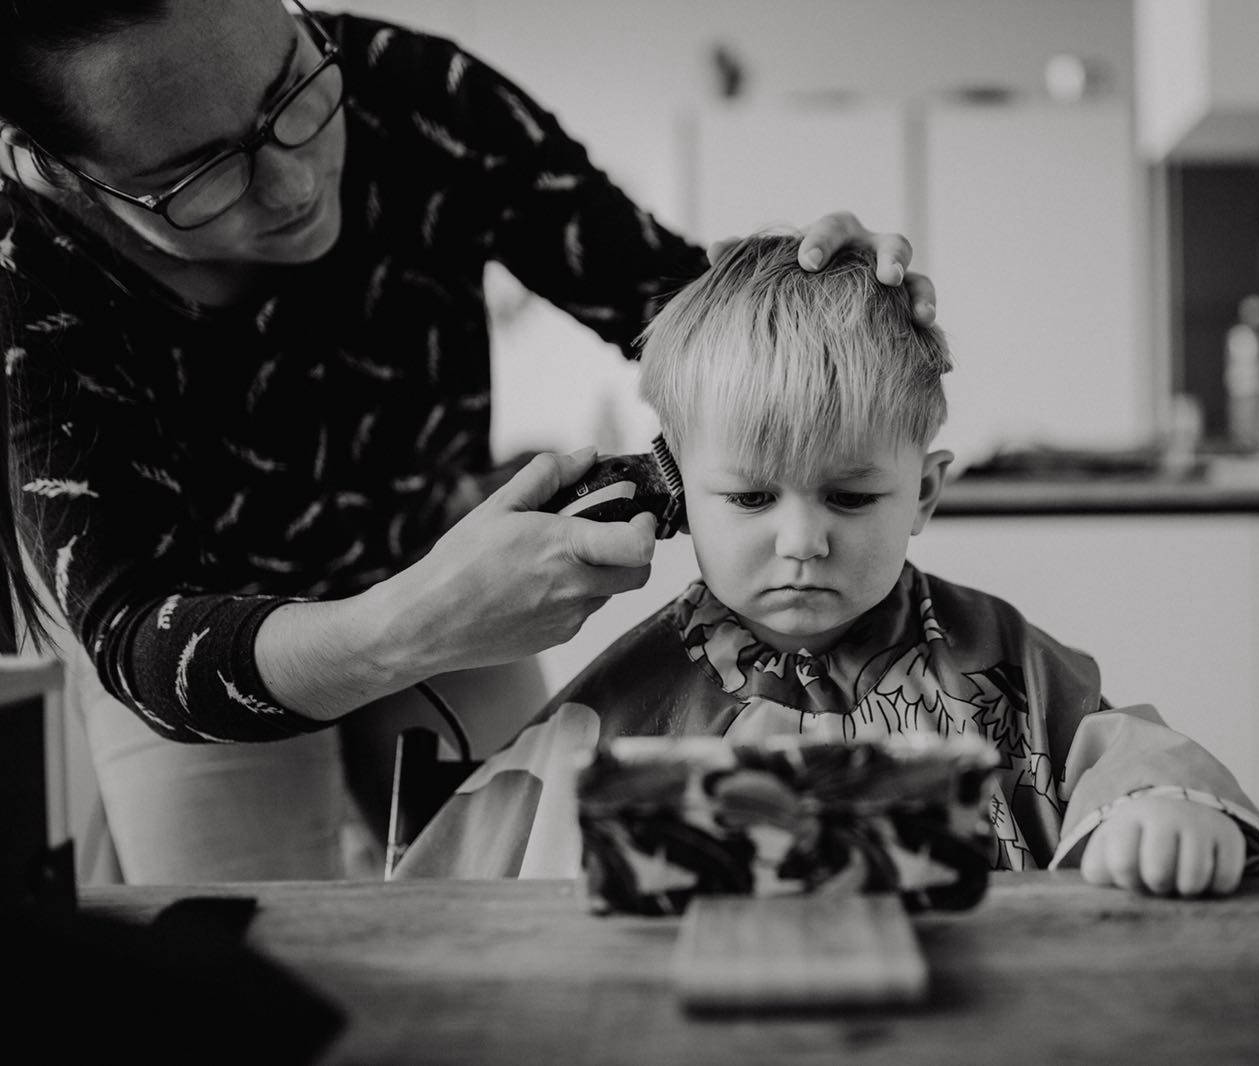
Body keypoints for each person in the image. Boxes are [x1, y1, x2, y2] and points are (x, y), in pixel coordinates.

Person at [0, 0, 935, 883]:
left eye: (290, 89)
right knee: (248, 965)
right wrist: (407, 627)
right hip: (203, 642)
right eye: (197, 174)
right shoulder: (26, 282)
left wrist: (810, 302)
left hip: (429, 554)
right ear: (48, 168)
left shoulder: (420, 98)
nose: (293, 182)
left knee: (511, 889)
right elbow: (135, 634)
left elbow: (674, 307)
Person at [395, 233, 1259, 897]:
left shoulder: (1001, 656)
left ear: (925, 494)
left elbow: (1119, 751)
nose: (802, 541)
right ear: (673, 493)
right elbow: (453, 910)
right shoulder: (623, 700)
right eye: (748, 499)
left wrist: (1162, 809)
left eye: (851, 499)